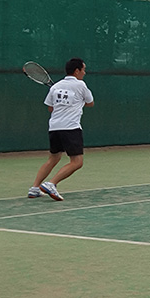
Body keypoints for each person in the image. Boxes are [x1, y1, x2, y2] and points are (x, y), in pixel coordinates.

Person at [29, 58, 95, 201]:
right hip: (70, 128)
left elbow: (50, 107)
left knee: (53, 158)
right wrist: (77, 103)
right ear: (76, 71)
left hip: (54, 128)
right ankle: (51, 184)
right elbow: (90, 103)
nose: (85, 72)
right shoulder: (80, 85)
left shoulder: (55, 86)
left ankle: (34, 188)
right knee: (77, 162)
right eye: (83, 69)